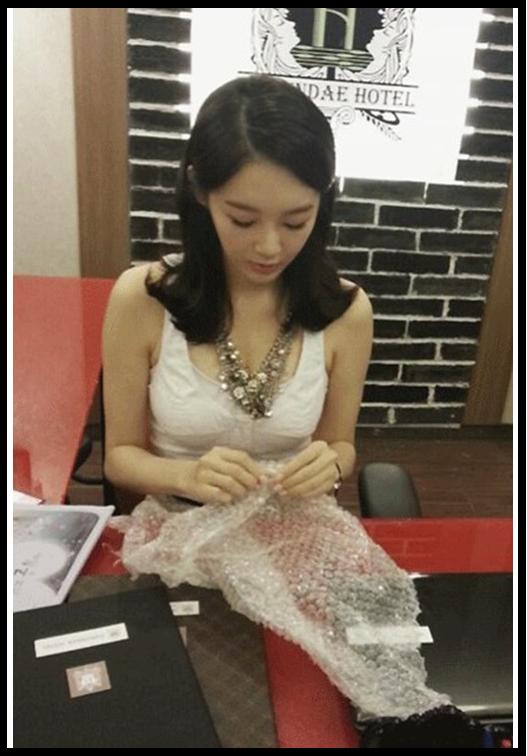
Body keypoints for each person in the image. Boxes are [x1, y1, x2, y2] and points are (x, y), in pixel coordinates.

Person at [102, 74, 373, 509]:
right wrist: (184, 475)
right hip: (180, 524)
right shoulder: (142, 298)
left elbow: (341, 445)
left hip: (294, 525)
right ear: (200, 191)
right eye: (243, 220)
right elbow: (119, 456)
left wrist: (332, 465)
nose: (270, 247)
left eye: (295, 221)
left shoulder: (347, 311)